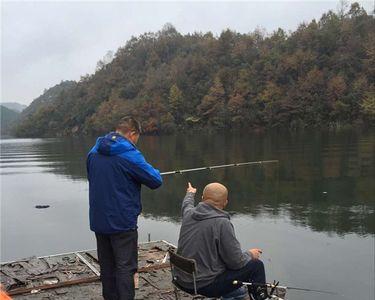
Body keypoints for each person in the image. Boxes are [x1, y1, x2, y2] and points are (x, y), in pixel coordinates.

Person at [87, 116, 162, 300]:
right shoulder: (129, 154)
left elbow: (92, 176)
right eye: (137, 137)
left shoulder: (93, 151)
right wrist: (155, 171)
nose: (136, 141)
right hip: (122, 222)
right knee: (125, 267)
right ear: (132, 133)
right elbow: (155, 180)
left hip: (99, 219)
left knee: (107, 266)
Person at [176, 182, 268, 300]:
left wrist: (190, 193)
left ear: (203, 198)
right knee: (256, 265)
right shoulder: (222, 223)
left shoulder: (188, 214)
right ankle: (261, 297)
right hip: (204, 285)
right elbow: (236, 262)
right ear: (225, 203)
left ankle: (236, 294)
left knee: (224, 262)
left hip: (180, 279)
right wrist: (251, 254)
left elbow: (186, 205)